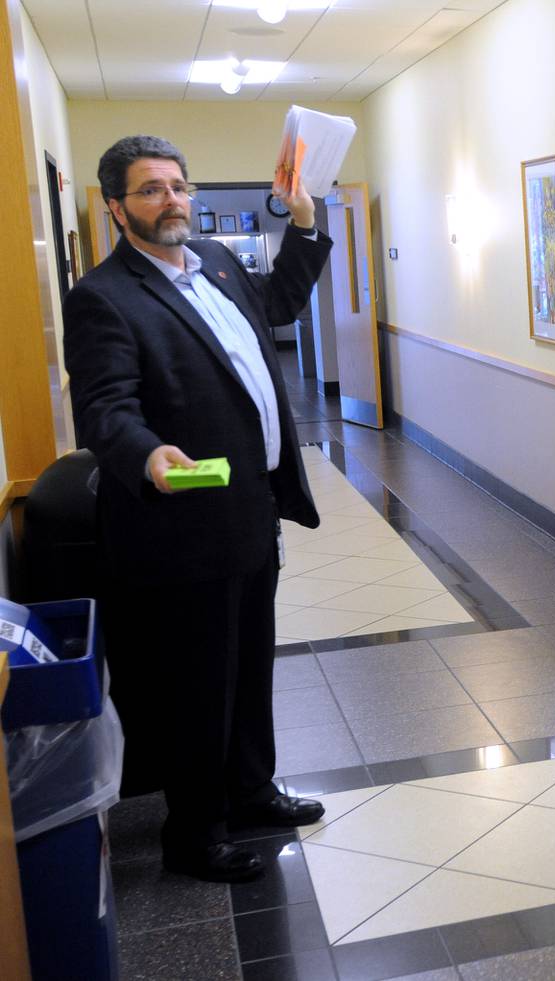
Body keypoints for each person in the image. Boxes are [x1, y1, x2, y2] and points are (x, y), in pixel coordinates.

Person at [63, 135, 334, 883]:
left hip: (250, 506)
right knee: (196, 683)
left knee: (248, 664)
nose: (171, 200)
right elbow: (105, 409)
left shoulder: (213, 261)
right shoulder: (103, 297)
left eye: (178, 185)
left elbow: (275, 301)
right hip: (180, 526)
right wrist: (148, 453)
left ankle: (250, 791)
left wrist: (304, 225)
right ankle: (197, 831)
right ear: (117, 207)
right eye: (150, 190)